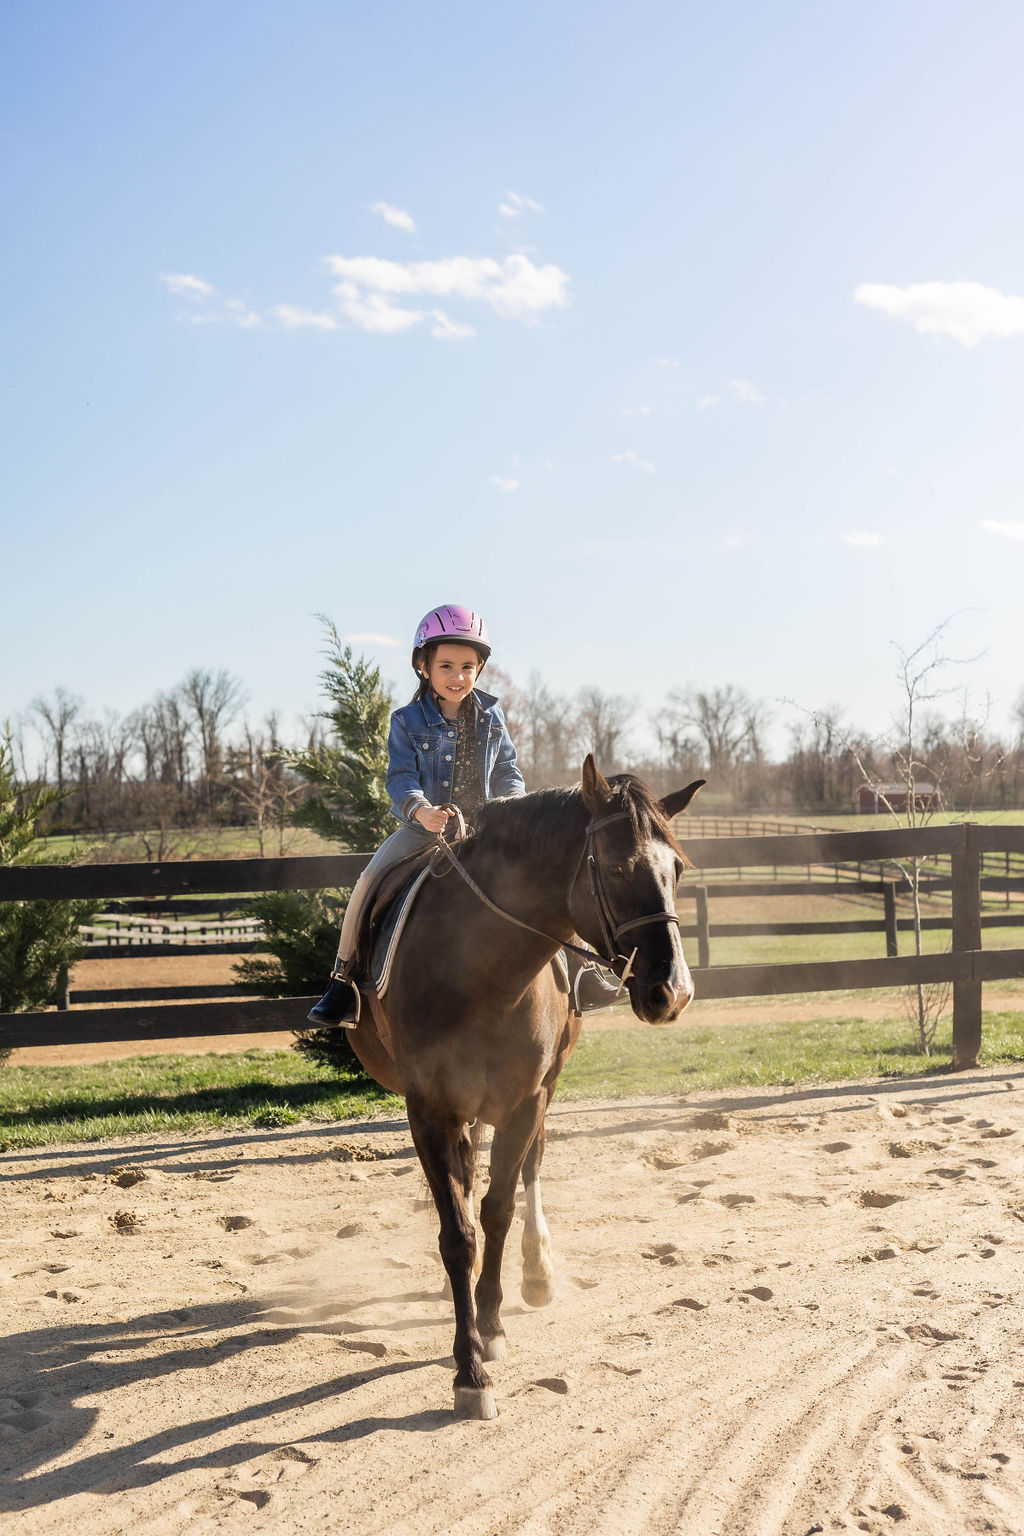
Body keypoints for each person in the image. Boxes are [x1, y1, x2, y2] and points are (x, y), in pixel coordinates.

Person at [308, 604, 525, 1026]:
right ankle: (343, 980)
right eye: (446, 665)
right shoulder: (406, 721)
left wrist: (515, 806)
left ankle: (582, 973)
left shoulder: (493, 716)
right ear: (424, 666)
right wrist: (421, 811)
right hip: (424, 830)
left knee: (545, 871)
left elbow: (507, 771)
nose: (458, 676)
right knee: (368, 881)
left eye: (467, 666)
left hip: (485, 830)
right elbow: (400, 779)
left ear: (480, 668)